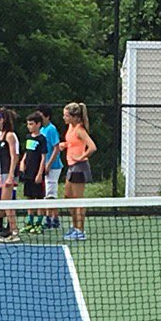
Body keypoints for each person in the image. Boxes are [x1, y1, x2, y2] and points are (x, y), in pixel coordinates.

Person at [60, 102, 97, 240]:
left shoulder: (80, 130)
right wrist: (65, 145)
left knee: (78, 200)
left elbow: (92, 147)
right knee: (67, 196)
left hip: (79, 167)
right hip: (71, 166)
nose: (64, 118)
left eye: (66, 115)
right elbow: (73, 143)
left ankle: (80, 230)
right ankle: (74, 226)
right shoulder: (70, 127)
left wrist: (81, 157)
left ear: (75, 117)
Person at [0, 107, 20, 242]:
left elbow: (14, 156)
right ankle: (11, 231)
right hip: (2, 173)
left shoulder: (10, 135)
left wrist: (10, 176)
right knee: (4, 203)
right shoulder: (1, 136)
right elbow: (4, 152)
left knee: (7, 204)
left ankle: (14, 232)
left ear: (1, 120)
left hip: (8, 173)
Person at [18, 112, 47, 235]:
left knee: (39, 199)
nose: (29, 126)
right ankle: (30, 223)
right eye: (28, 124)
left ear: (38, 124)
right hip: (28, 173)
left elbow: (43, 157)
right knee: (29, 198)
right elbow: (27, 152)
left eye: (31, 124)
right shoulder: (28, 137)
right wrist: (22, 162)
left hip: (36, 173)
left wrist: (40, 173)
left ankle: (39, 224)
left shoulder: (42, 139)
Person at [36, 104, 63, 230]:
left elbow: (56, 148)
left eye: (40, 115)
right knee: (46, 192)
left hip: (54, 166)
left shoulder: (51, 129)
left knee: (51, 192)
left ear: (46, 116)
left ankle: (53, 219)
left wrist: (49, 164)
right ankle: (50, 217)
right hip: (44, 165)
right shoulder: (41, 130)